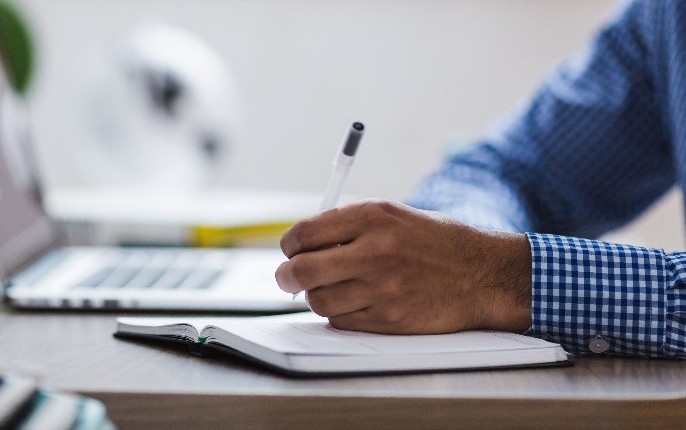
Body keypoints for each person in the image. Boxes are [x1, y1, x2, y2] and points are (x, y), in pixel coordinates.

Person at [275, 0, 686, 359]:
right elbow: (513, 171)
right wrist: (454, 243)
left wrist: (496, 276)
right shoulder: (663, 13)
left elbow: (488, 264)